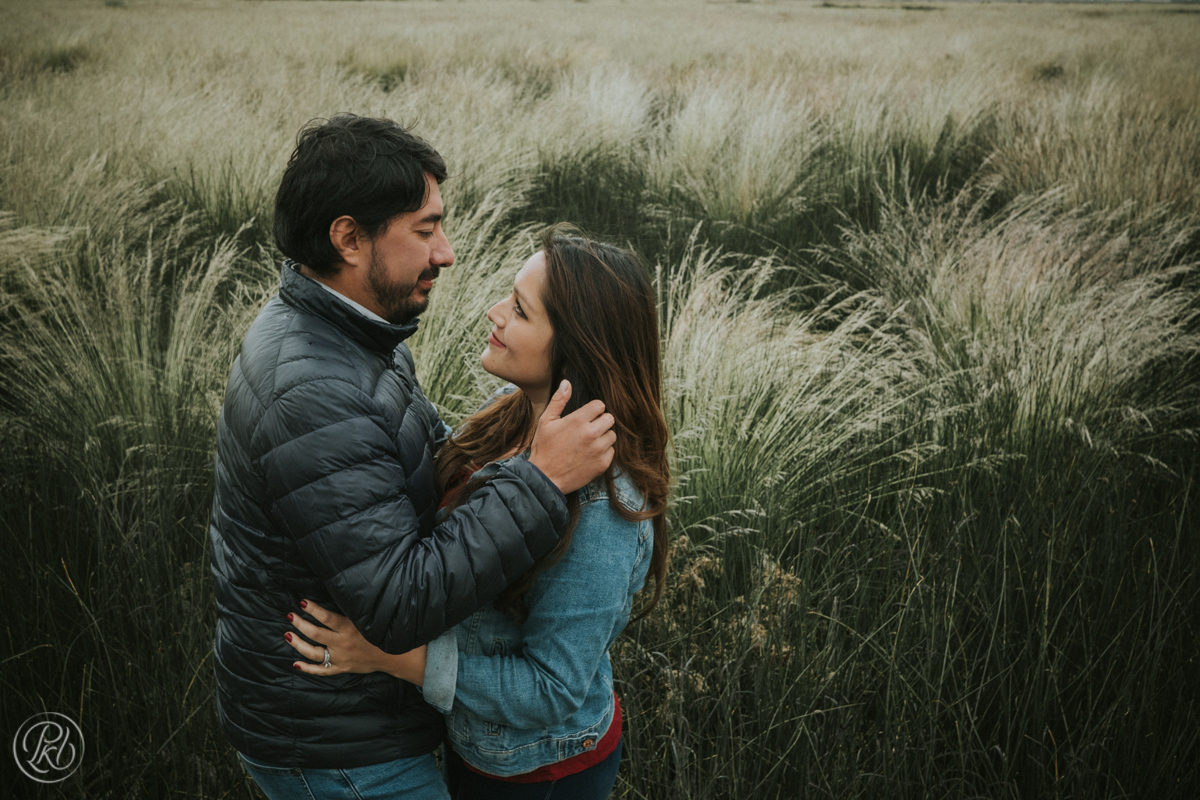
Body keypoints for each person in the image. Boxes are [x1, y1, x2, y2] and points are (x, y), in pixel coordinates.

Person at [209, 116, 616, 800]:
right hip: (341, 748)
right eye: (425, 229)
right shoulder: (315, 390)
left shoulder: (356, 336)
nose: (447, 252)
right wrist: (539, 480)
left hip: (356, 723)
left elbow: (424, 467)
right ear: (348, 238)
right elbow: (399, 603)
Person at [282, 225, 671, 799]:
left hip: (539, 773)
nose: (494, 312)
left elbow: (550, 690)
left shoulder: (605, 509)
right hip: (475, 746)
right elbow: (446, 468)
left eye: (519, 309)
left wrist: (393, 657)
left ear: (576, 347)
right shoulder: (512, 413)